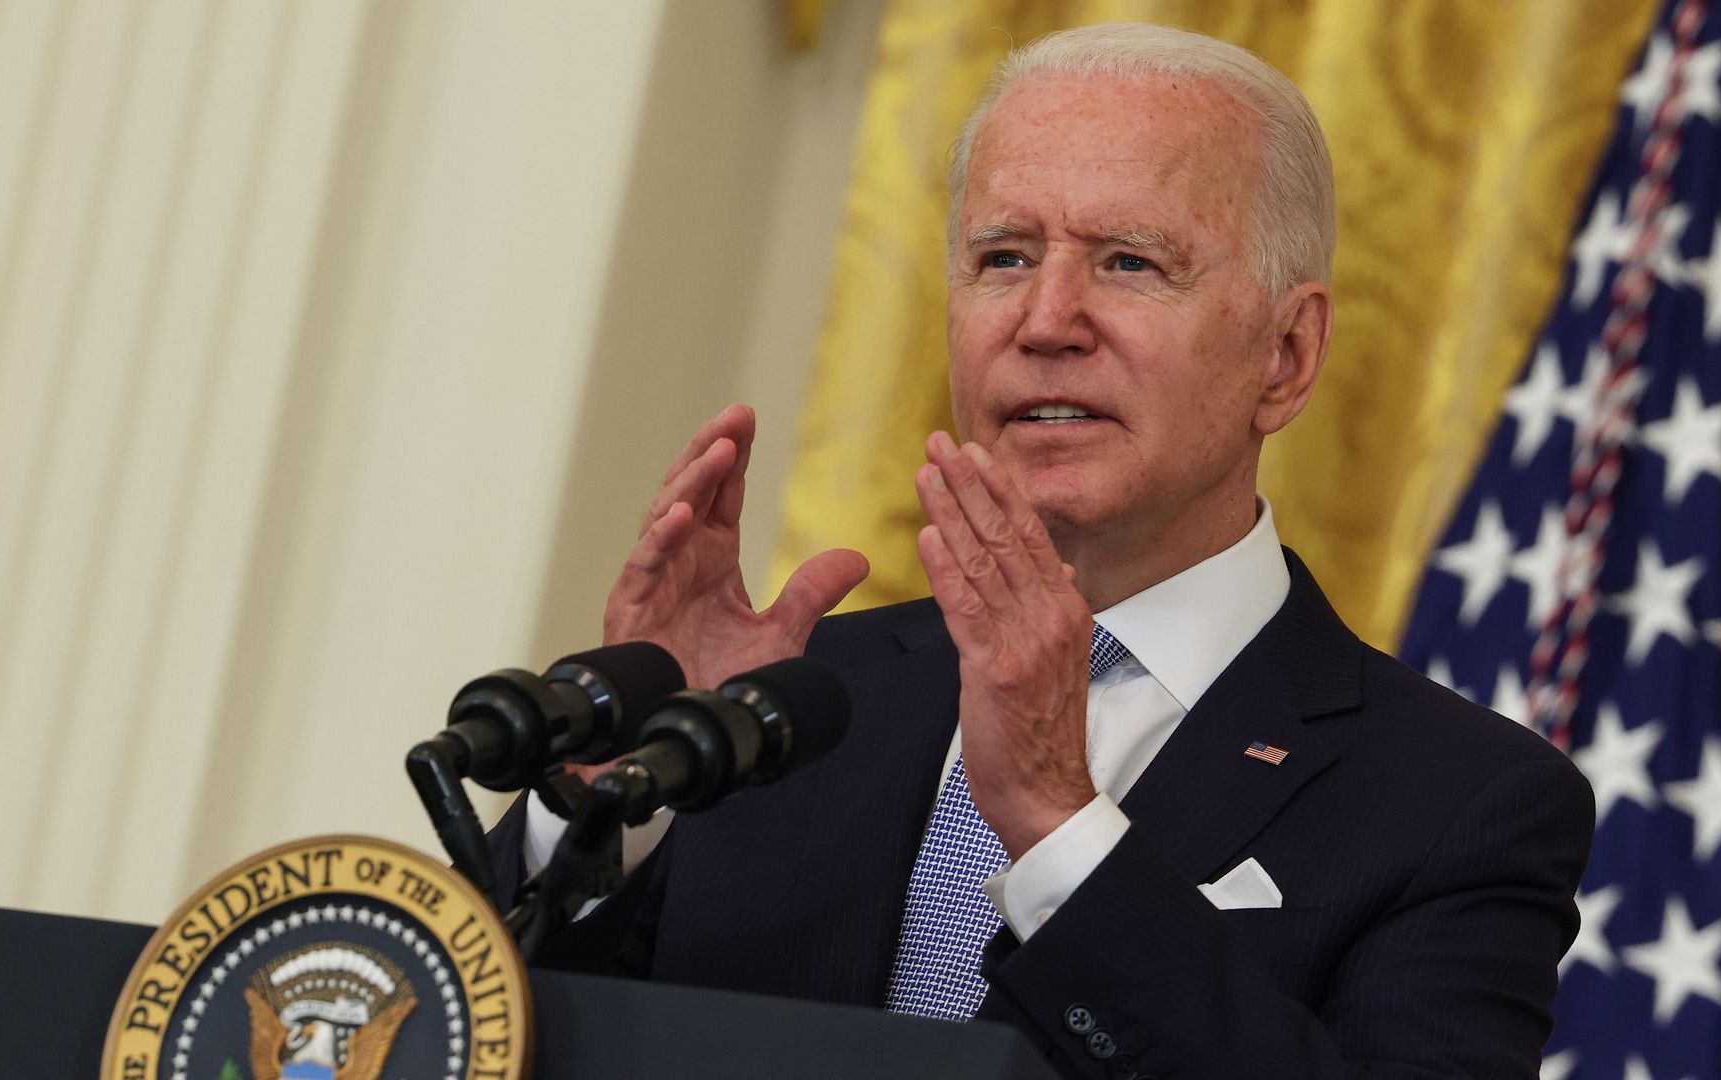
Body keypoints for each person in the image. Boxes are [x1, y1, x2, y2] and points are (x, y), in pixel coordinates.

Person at [488, 22, 1593, 1080]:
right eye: (1005, 257)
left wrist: (1063, 832)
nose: (1047, 319)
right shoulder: (785, 710)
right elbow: (426, 1028)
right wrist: (614, 790)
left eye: (1128, 263)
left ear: (1286, 356)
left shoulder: (1459, 804)